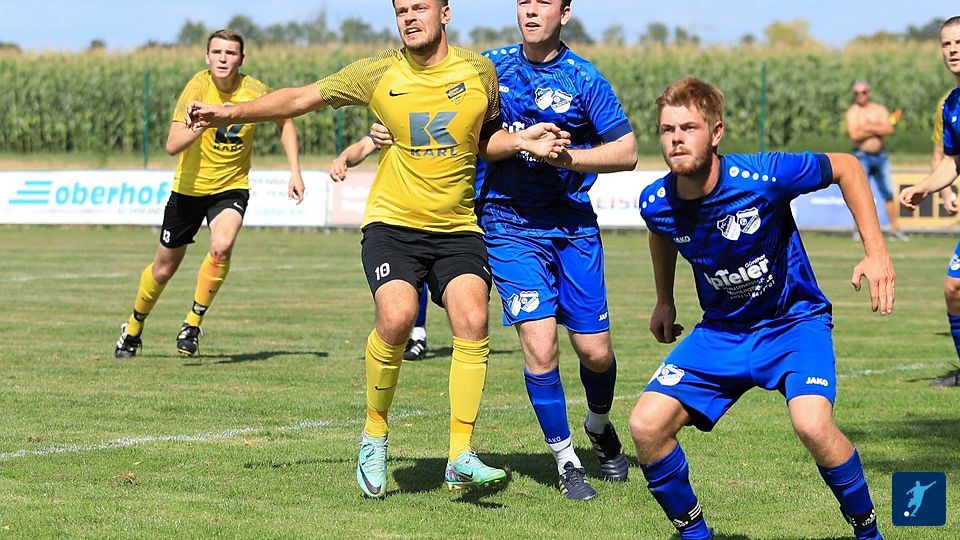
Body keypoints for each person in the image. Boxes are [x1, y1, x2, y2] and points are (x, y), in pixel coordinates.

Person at [187, 0, 571, 498]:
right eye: (401, 9)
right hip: (393, 224)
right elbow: (300, 98)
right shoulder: (376, 72)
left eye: (420, 7)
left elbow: (486, 141)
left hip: (457, 226)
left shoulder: (479, 71)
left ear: (445, 14)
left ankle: (460, 455)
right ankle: (374, 432)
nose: (410, 17)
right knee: (396, 317)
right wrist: (229, 111)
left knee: (473, 319)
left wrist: (523, 142)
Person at [630, 77, 893, 540]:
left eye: (689, 128)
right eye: (667, 129)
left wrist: (876, 252)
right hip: (721, 333)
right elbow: (661, 231)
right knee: (645, 426)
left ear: (716, 133)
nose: (676, 139)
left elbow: (848, 167)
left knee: (813, 424)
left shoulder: (764, 176)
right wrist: (664, 299)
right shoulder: (655, 202)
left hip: (793, 324)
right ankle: (697, 536)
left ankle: (869, 534)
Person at [478, 0, 637, 501]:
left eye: (543, 2)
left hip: (572, 228)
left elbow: (628, 151)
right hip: (507, 224)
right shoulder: (488, 69)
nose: (530, 10)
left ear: (564, 14)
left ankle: (598, 424)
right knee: (541, 344)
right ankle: (567, 462)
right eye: (523, 1)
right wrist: (524, 143)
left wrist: (568, 158)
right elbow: (472, 136)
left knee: (595, 352)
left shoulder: (584, 78)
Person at [113, 29, 304, 359]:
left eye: (230, 53)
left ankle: (192, 323)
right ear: (207, 57)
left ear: (242, 59)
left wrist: (295, 171)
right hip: (188, 190)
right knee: (163, 270)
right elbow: (172, 145)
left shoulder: (255, 90)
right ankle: (133, 327)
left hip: (231, 187)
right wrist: (203, 123)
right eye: (217, 52)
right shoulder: (197, 88)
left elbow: (284, 120)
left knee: (222, 245)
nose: (223, 58)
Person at [329, 134, 430, 361]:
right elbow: (365, 145)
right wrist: (343, 158)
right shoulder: (394, 120)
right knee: (410, 281)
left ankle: (420, 335)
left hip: (450, 213)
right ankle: (417, 335)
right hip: (400, 219)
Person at [901, 16, 960, 388]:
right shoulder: (952, 104)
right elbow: (954, 161)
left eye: (959, 42)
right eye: (946, 44)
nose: (952, 50)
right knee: (954, 288)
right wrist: (925, 187)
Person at [845, 80, 907, 241]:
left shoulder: (879, 109)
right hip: (861, 156)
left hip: (881, 156)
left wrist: (866, 127)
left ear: (869, 93)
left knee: (888, 193)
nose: (860, 95)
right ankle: (858, 230)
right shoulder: (852, 112)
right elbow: (854, 135)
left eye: (863, 92)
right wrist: (877, 129)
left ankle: (895, 229)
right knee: (859, 193)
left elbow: (889, 129)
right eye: (856, 93)